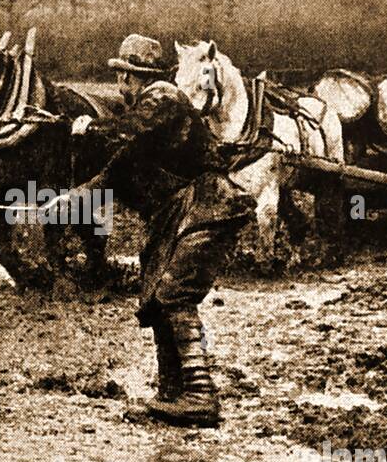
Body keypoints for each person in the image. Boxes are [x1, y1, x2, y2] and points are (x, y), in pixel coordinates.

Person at [53, 35, 254, 427]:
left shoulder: (163, 98)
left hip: (206, 207)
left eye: (122, 78)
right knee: (155, 299)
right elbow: (113, 176)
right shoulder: (147, 120)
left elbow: (126, 130)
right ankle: (170, 394)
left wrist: (90, 127)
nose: (119, 86)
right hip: (177, 216)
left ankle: (200, 395)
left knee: (174, 292)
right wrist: (66, 201)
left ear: (129, 77)